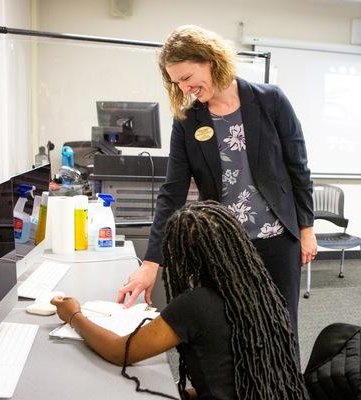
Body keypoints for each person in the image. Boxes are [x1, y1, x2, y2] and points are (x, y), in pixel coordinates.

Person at [116, 25, 317, 343]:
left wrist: (306, 229)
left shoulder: (270, 101)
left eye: (186, 77)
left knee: (281, 329)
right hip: (226, 245)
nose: (184, 88)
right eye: (177, 82)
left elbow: (298, 168)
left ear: (209, 60)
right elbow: (172, 193)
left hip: (278, 239)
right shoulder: (187, 122)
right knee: (235, 330)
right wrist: (151, 263)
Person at [51, 201, 309, 400]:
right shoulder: (264, 292)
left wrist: (74, 315)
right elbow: (248, 372)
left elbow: (121, 352)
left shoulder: (196, 305)